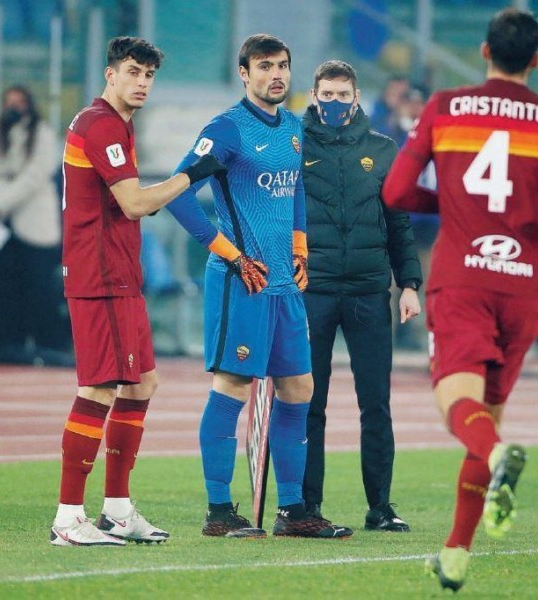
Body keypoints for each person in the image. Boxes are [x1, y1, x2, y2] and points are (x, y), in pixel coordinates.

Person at [383, 8, 538, 591]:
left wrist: (453, 207)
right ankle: (455, 554)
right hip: (524, 280)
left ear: (485, 52)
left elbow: (396, 191)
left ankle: (501, 457)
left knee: (457, 408)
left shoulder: (445, 107)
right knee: (487, 416)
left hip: (462, 274)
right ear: (536, 59)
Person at [167, 34, 352, 539]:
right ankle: (219, 511)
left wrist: (300, 247)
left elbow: (292, 196)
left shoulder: (294, 128)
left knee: (299, 389)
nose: (277, 74)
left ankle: (293, 512)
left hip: (285, 286)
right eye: (265, 66)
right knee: (233, 385)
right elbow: (180, 194)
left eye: (284, 66)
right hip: (241, 282)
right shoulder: (227, 130)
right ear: (244, 73)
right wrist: (229, 253)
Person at [51, 36, 224, 547]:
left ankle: (119, 511)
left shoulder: (113, 124)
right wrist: (190, 176)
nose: (142, 82)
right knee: (98, 388)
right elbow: (131, 203)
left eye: (149, 75)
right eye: (133, 72)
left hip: (119, 275)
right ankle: (67, 518)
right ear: (110, 74)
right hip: (99, 275)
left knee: (142, 383)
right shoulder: (102, 123)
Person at [301, 60, 422, 533]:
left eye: (342, 95)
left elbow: (399, 223)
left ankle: (381, 507)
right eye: (326, 95)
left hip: (371, 292)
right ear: (314, 96)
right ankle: (306, 506)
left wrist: (408, 284)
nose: (333, 103)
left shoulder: (383, 150)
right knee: (309, 403)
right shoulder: (295, 145)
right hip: (313, 291)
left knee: (376, 403)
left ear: (356, 98)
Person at [0, 84, 67, 361]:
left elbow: (35, 176)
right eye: (9, 102)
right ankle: (8, 343)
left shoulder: (43, 134)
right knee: (4, 286)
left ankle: (48, 346)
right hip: (0, 226)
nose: (14, 107)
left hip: (33, 223)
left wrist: (0, 203)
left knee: (38, 286)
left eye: (19, 102)